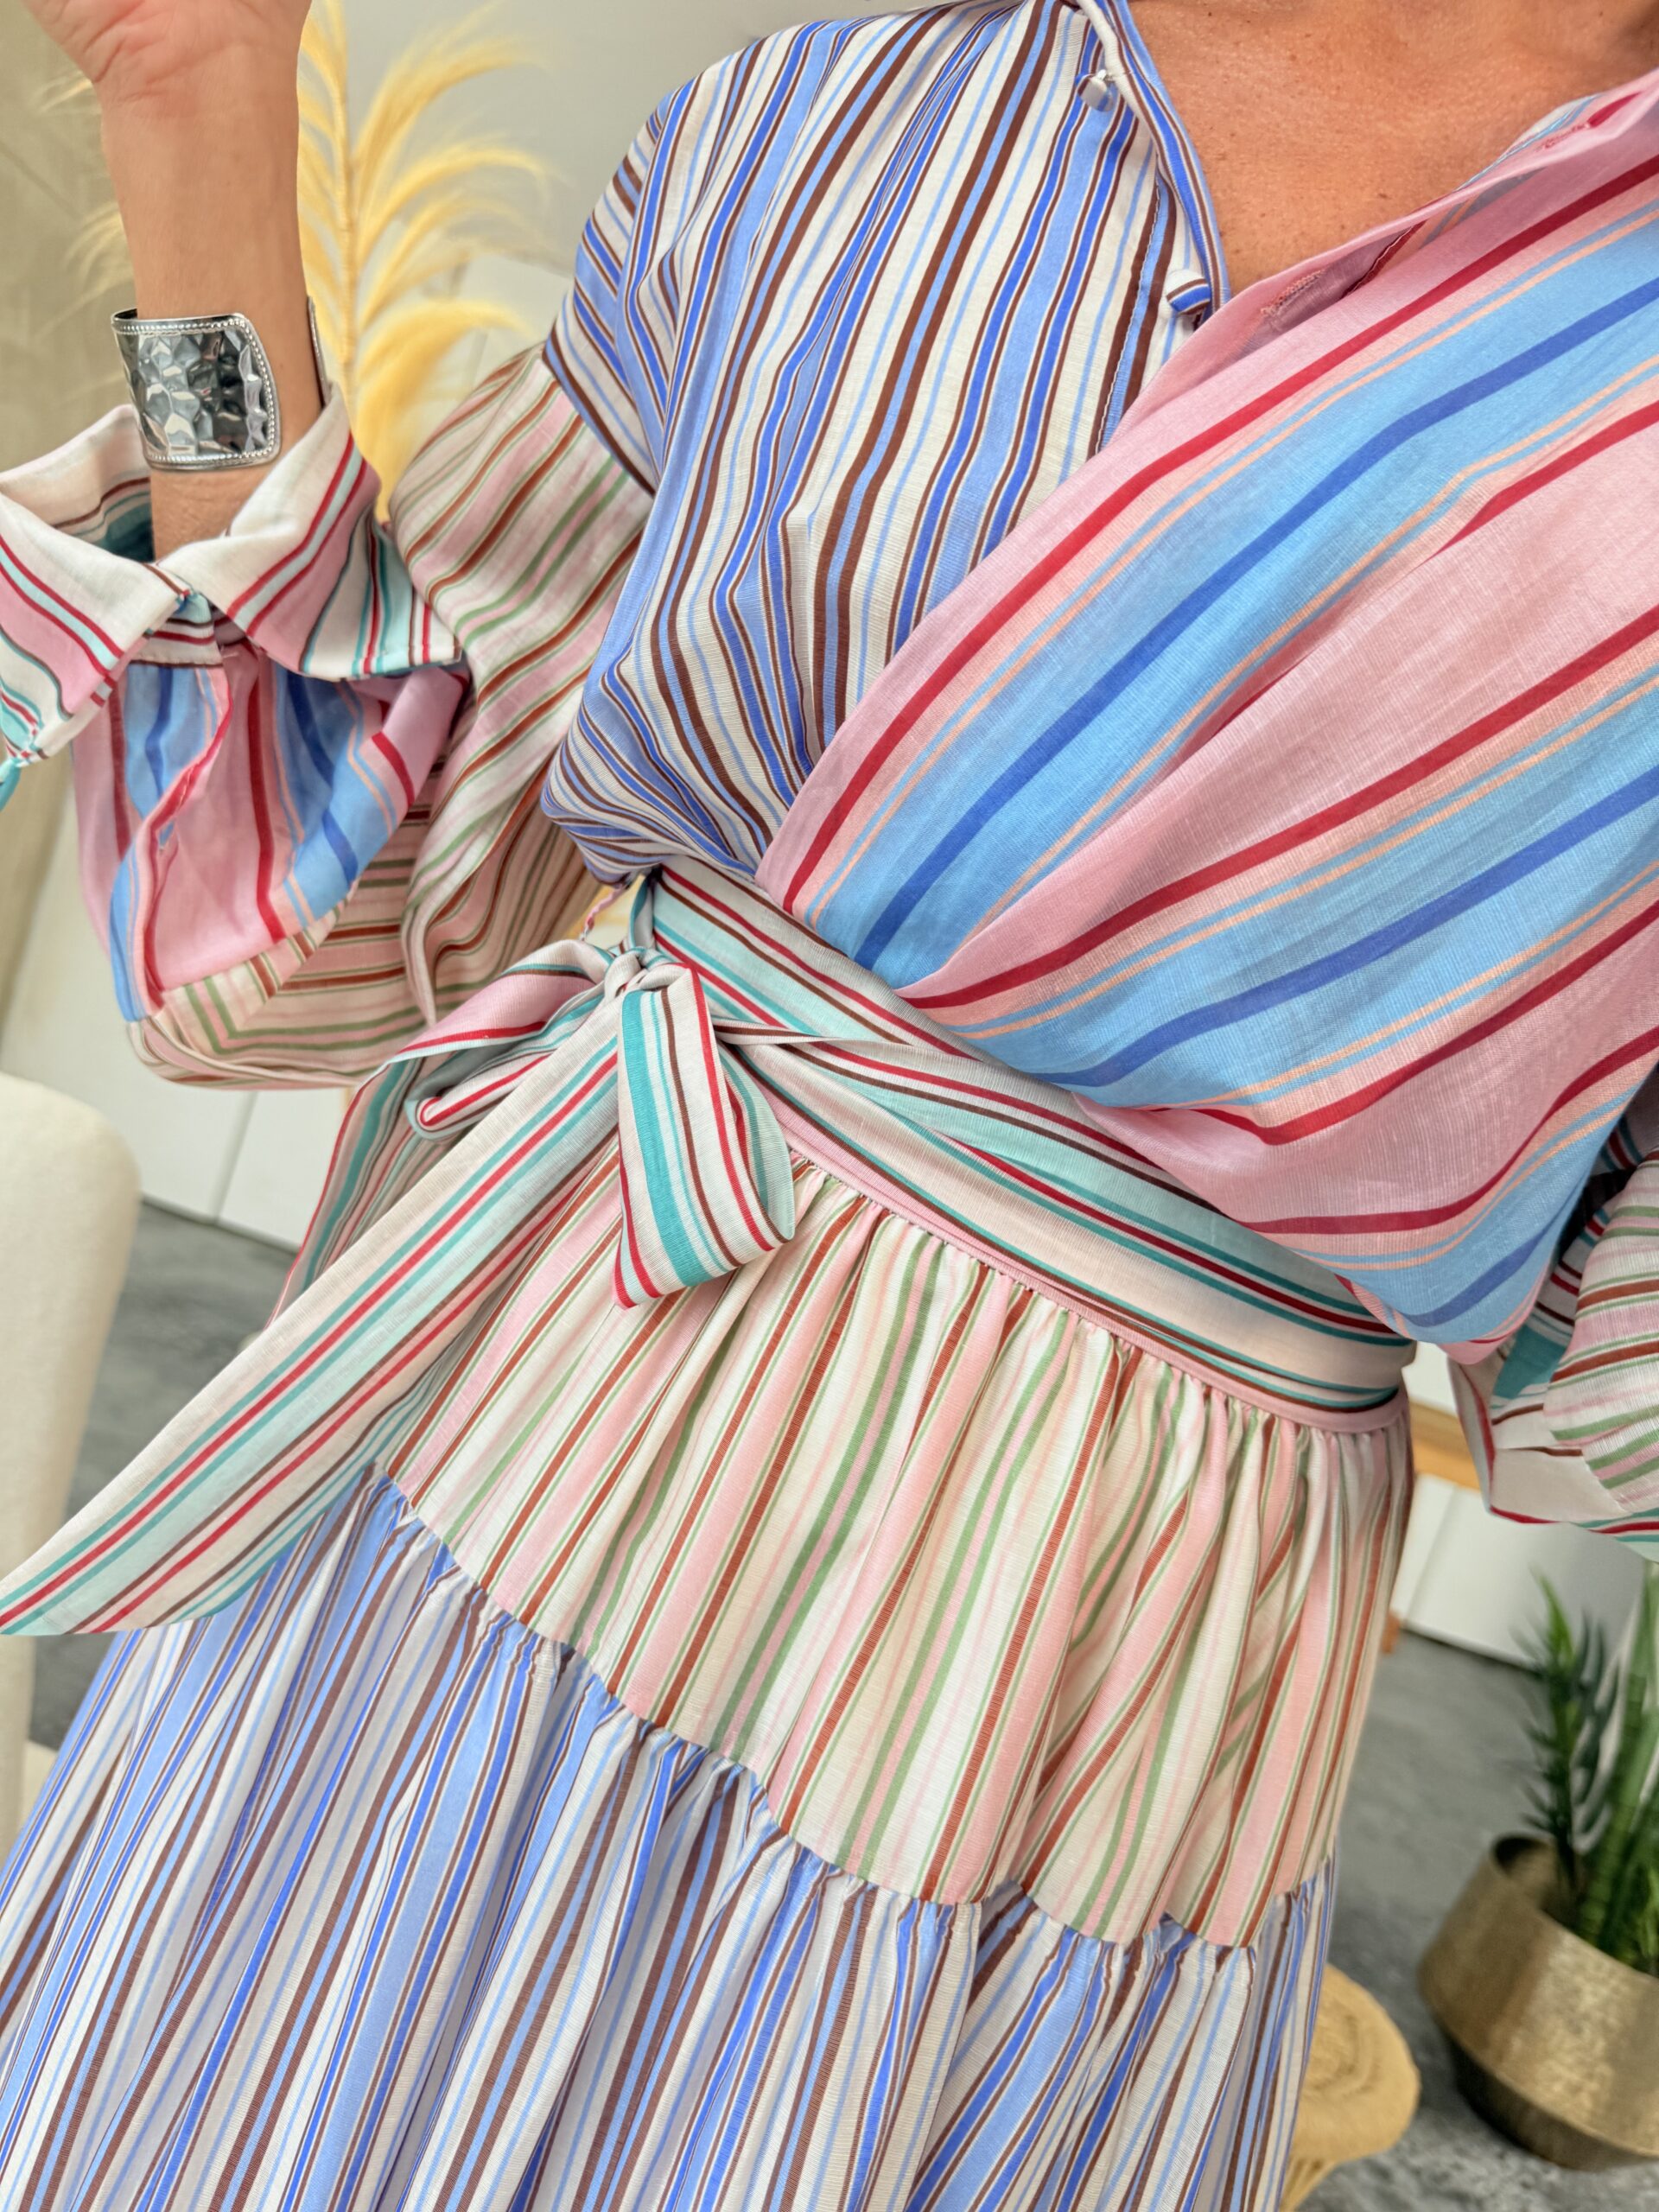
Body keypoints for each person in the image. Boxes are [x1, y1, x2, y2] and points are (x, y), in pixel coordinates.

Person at [0, 0, 1656, 2203]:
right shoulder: (844, 117)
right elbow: (350, 901)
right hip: (501, 1472)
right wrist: (194, 99)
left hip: (1070, 1690)